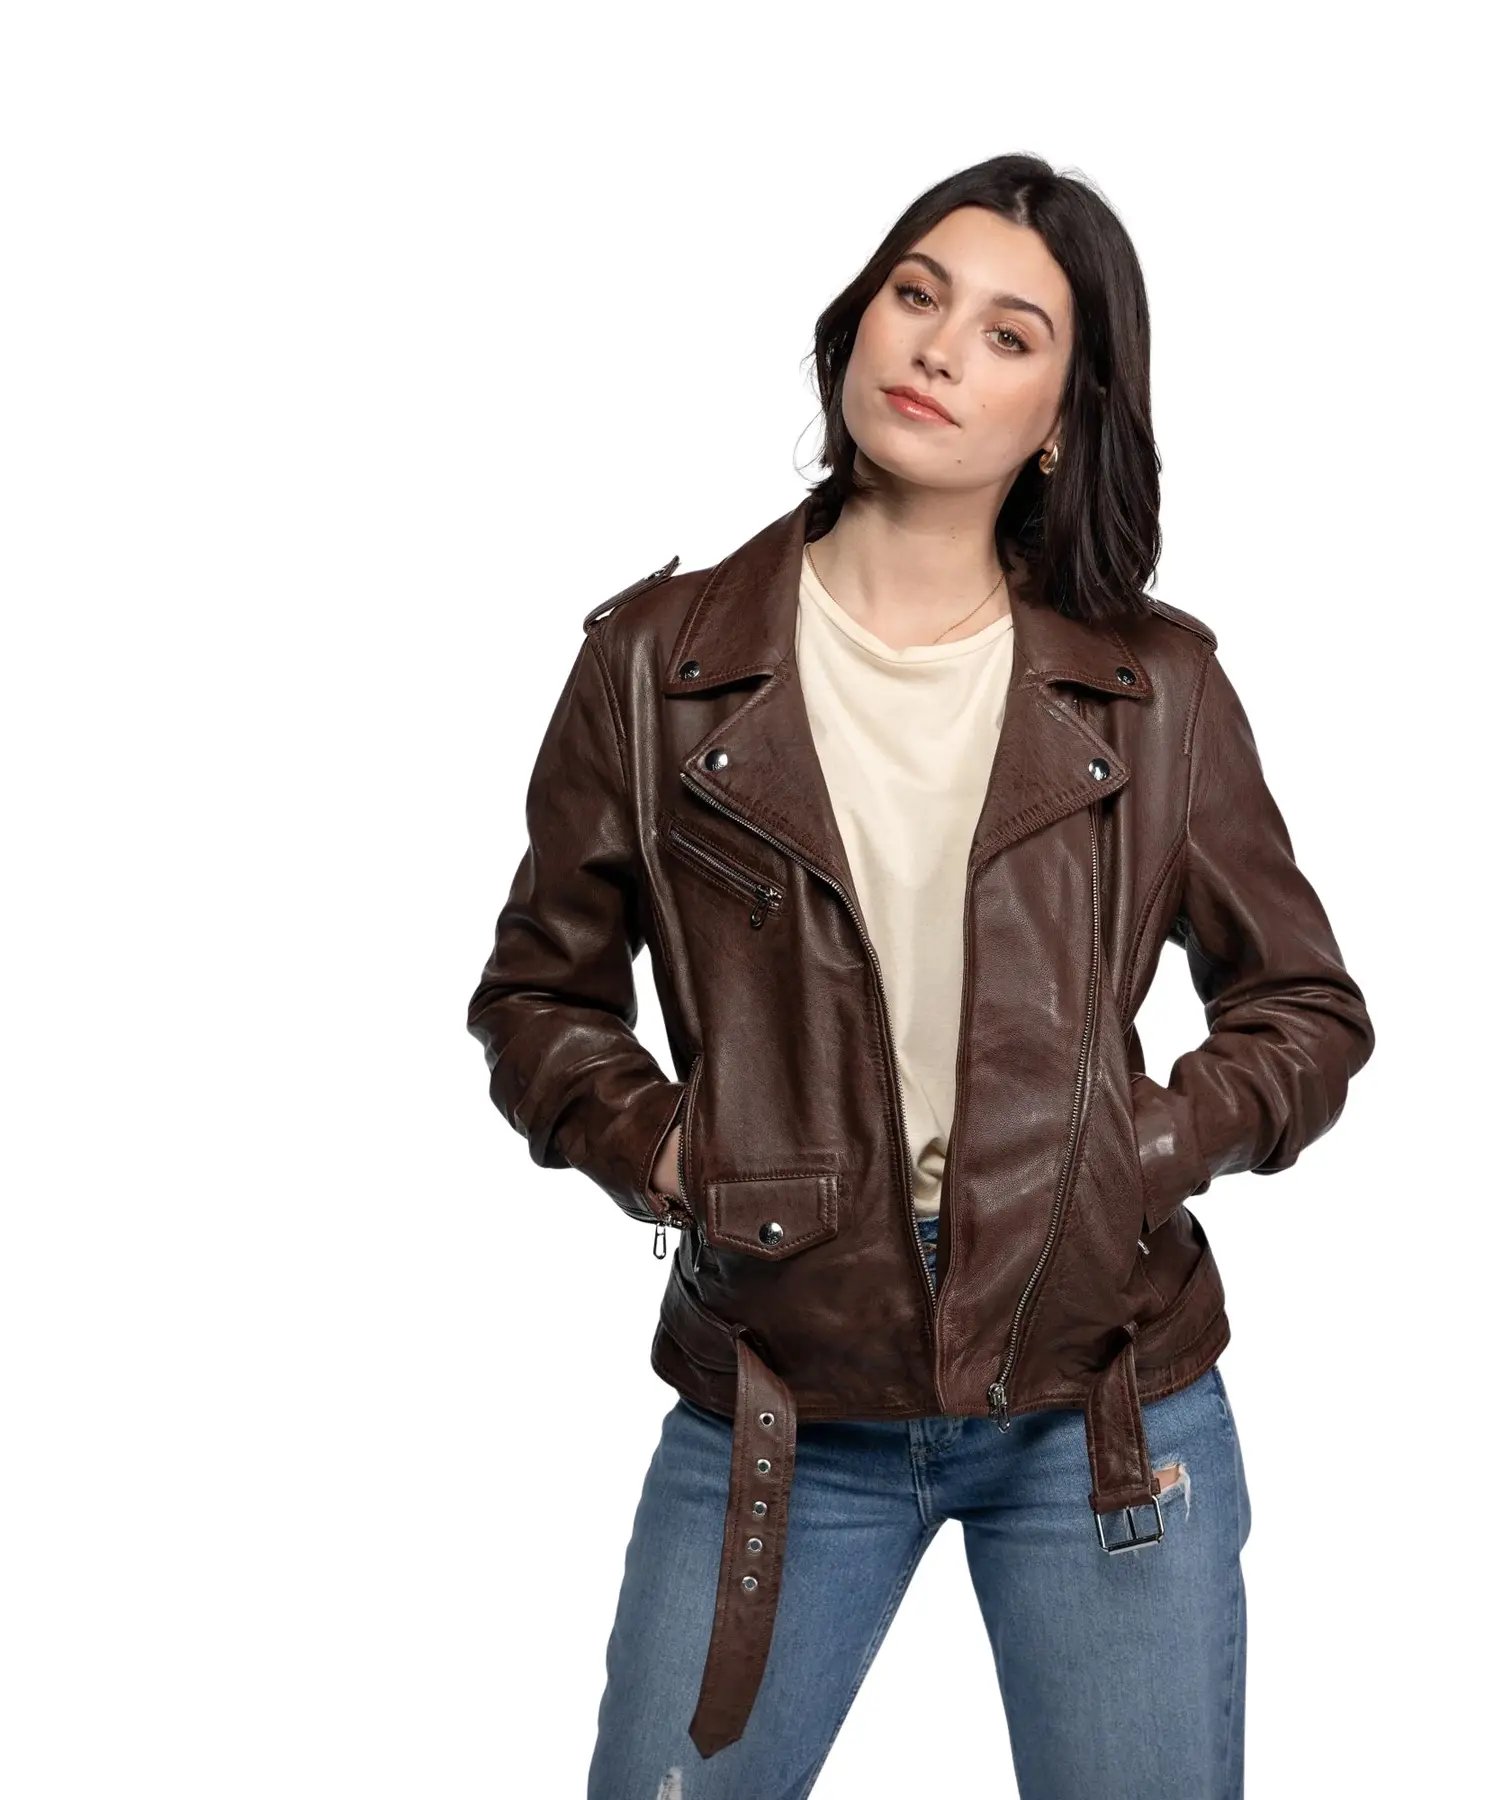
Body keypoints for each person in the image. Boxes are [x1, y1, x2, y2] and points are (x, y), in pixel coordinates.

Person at [466, 151, 1375, 1800]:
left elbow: (1304, 1010)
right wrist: (670, 1152)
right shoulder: (657, 668)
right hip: (780, 1393)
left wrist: (1134, 1151)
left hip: (1104, 1400)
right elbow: (539, 996)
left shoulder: (1155, 688)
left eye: (1009, 334)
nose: (941, 348)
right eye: (916, 295)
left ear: (1066, 415)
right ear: (857, 324)